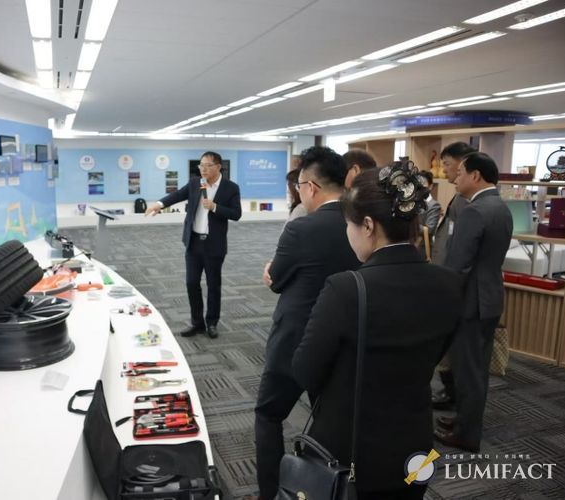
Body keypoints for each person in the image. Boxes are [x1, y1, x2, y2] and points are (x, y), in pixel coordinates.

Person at [292, 163, 464, 499]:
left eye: (349, 224)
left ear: (368, 225)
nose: (348, 233)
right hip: (415, 443)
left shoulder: (346, 288)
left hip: (351, 446)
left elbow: (304, 371)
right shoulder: (451, 283)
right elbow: (438, 352)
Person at [256, 147, 360, 500]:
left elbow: (277, 280)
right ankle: (327, 491)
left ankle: (271, 493)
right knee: (329, 420)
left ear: (311, 187)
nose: (299, 192)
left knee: (268, 414)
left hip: (295, 339)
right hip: (341, 342)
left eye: (299, 185)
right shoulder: (362, 224)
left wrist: (270, 271)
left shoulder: (301, 227)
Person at [434, 152, 513, 452]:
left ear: (476, 176)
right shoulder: (500, 207)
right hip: (489, 297)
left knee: (468, 371)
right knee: (476, 368)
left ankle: (467, 435)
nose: (456, 178)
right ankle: (465, 421)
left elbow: (458, 265)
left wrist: (442, 299)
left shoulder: (474, 211)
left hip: (470, 302)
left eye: (461, 173)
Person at [146, 151, 241, 339]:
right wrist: (158, 204)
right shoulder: (195, 183)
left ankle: (211, 323)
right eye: (201, 165)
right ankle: (197, 323)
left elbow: (236, 214)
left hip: (214, 244)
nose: (203, 169)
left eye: (207, 165)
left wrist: (214, 207)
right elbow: (176, 195)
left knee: (213, 285)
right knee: (191, 283)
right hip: (194, 242)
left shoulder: (230, 188)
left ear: (218, 167)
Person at [430, 141, 476, 410]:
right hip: (447, 279)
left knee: (455, 346)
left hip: (455, 284)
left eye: (447, 164)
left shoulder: (469, 202)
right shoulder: (460, 197)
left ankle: (452, 396)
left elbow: (460, 248)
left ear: (463, 164)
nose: (445, 170)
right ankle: (449, 393)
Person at [418, 170, 441, 236]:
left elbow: (429, 230)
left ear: (430, 186)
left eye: (423, 183)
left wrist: (410, 225)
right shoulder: (412, 202)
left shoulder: (434, 205)